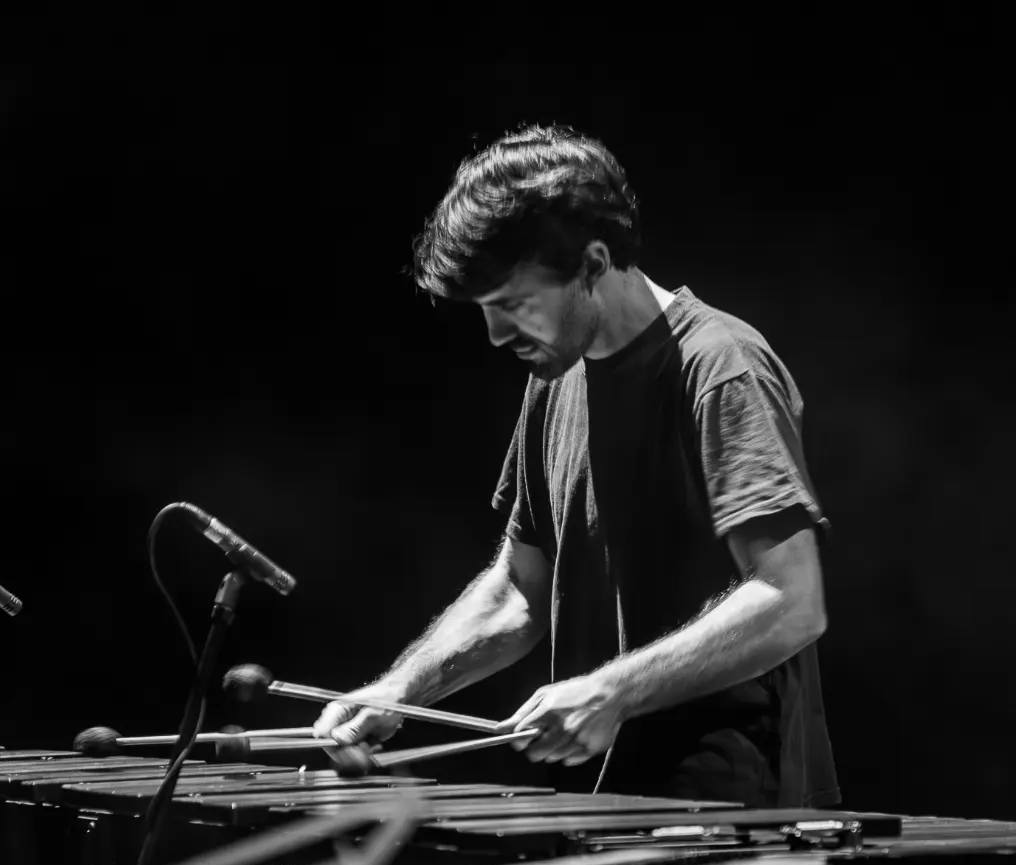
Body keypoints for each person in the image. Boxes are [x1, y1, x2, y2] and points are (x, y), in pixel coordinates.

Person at [313, 124, 839, 808]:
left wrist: (611, 691)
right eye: (487, 311)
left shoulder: (719, 368)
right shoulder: (554, 381)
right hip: (606, 799)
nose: (496, 335)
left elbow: (792, 601)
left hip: (730, 811)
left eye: (514, 305)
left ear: (593, 263)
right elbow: (520, 589)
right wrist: (402, 689)